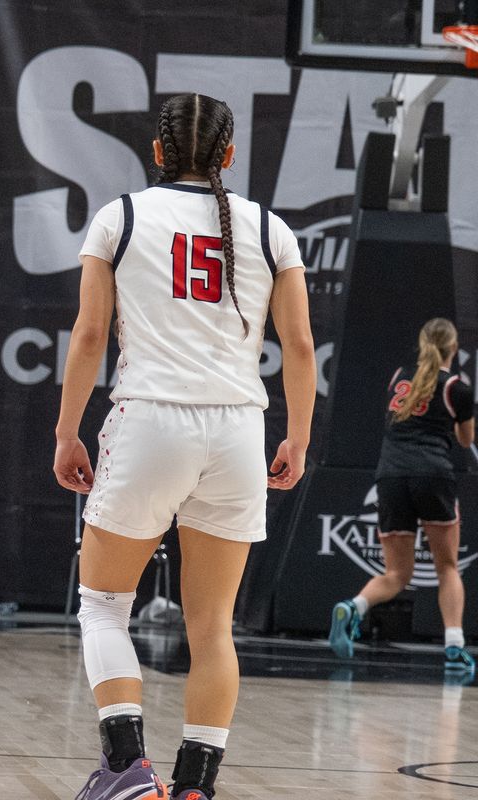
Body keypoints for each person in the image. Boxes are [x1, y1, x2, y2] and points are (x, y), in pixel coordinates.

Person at [52, 93, 315, 800]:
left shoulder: (123, 216)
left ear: (157, 150)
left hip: (150, 423)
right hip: (235, 430)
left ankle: (128, 766)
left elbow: (88, 337)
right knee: (212, 627)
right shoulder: (271, 230)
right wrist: (298, 434)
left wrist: (67, 429)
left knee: (105, 604)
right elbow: (298, 345)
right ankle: (197, 786)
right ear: (229, 155)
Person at [329, 318, 475, 675]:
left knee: (396, 573)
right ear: (453, 349)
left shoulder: (399, 377)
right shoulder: (457, 386)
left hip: (391, 476)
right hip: (432, 476)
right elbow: (466, 441)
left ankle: (354, 606)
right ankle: (454, 648)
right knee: (447, 567)